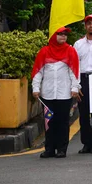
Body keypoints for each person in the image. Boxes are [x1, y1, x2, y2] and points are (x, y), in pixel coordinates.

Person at [32, 28, 80, 158]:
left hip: (64, 94)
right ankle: (49, 149)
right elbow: (38, 72)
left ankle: (62, 149)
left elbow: (74, 72)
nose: (63, 36)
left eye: (65, 35)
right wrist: (35, 88)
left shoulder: (70, 51)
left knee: (63, 122)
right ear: (54, 36)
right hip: (47, 94)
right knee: (49, 122)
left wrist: (75, 88)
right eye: (60, 34)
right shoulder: (44, 52)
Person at [73, 15, 92, 154]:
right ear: (85, 26)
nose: (91, 26)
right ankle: (86, 143)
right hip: (83, 79)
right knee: (83, 114)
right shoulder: (78, 44)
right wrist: (76, 85)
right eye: (88, 23)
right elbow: (75, 66)